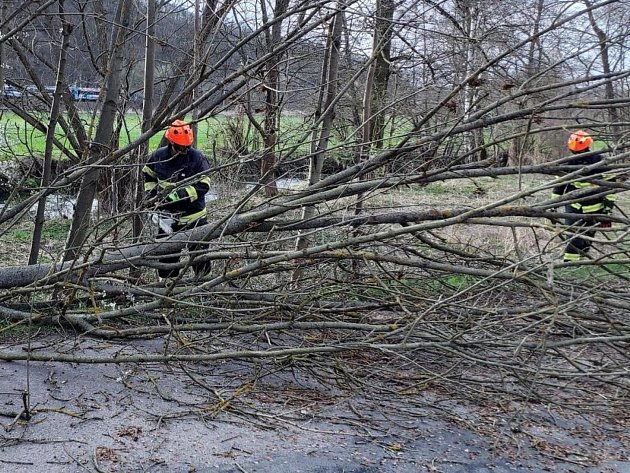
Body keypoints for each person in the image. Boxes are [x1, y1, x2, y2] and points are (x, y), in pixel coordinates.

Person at [143, 119, 212, 279]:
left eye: (187, 147)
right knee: (167, 260)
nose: (184, 151)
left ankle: (203, 288)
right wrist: (153, 196)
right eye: (180, 147)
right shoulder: (158, 156)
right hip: (168, 219)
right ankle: (168, 291)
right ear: (171, 142)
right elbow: (148, 175)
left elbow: (204, 184)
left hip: (195, 218)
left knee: (200, 258)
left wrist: (175, 197)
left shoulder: (197, 158)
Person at [551, 130, 615, 262]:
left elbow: (558, 187)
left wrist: (553, 206)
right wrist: (608, 209)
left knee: (583, 235)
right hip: (582, 207)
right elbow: (611, 186)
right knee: (577, 236)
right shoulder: (598, 160)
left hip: (585, 207)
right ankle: (570, 263)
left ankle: (579, 260)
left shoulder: (596, 161)